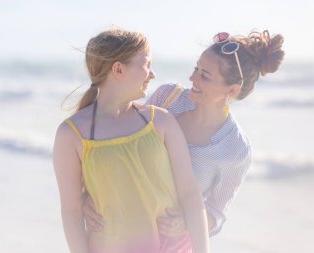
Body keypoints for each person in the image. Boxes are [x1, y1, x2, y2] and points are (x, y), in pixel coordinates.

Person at [83, 30, 285, 237]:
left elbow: (217, 213)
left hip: (171, 245)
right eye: (196, 68)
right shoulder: (168, 98)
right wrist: (87, 196)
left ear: (232, 90)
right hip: (121, 230)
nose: (192, 78)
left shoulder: (236, 149)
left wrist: (186, 223)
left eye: (204, 75)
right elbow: (118, 146)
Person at [53, 28, 210, 253]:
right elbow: (71, 211)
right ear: (118, 69)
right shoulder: (71, 135)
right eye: (146, 64)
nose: (152, 74)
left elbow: (190, 194)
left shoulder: (161, 121)